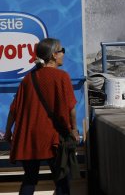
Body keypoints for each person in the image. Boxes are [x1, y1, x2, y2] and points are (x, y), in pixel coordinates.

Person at [4, 38, 79, 195]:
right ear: (53, 55)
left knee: (30, 178)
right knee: (61, 179)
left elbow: (14, 109)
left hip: (28, 137)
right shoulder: (62, 77)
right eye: (61, 51)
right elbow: (71, 108)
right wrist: (73, 129)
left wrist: (9, 131)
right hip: (52, 137)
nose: (63, 54)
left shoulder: (28, 78)